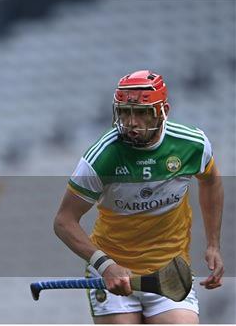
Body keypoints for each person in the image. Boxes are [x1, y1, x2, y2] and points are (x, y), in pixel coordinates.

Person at [53, 70, 224, 324]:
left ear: (163, 110)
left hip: (170, 273)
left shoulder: (192, 144)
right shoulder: (102, 156)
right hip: (114, 273)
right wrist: (104, 264)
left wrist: (213, 244)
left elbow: (211, 182)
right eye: (124, 111)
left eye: (141, 112)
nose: (131, 121)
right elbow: (64, 221)